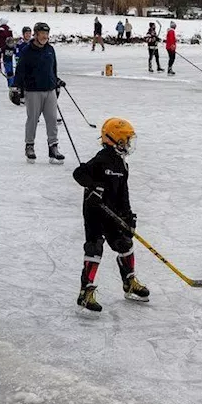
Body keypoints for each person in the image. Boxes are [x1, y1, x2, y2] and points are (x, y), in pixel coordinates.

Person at [72, 117, 148, 312]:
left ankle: (129, 282)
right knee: (95, 248)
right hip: (95, 211)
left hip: (113, 212)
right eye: (127, 140)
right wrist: (93, 185)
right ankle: (85, 293)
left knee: (124, 243)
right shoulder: (102, 159)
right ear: (117, 140)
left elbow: (124, 192)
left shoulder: (122, 165)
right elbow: (79, 174)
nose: (129, 144)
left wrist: (128, 216)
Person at [11, 22, 66, 162]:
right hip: (33, 90)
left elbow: (53, 69)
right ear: (36, 34)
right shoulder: (27, 50)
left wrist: (56, 82)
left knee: (52, 119)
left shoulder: (50, 49)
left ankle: (53, 147)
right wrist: (16, 87)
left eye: (47, 34)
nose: (45, 36)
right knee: (32, 119)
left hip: (50, 90)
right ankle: (29, 145)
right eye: (42, 34)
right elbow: (20, 70)